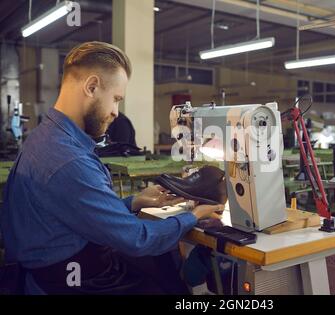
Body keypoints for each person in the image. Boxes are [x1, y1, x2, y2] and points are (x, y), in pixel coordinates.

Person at [0, 41, 223, 295]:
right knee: (165, 281)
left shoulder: (45, 137)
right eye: (116, 99)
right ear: (92, 86)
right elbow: (137, 239)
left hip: (46, 271)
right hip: (68, 283)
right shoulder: (70, 161)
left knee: (159, 269)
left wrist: (133, 203)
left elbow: (77, 212)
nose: (117, 112)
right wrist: (194, 216)